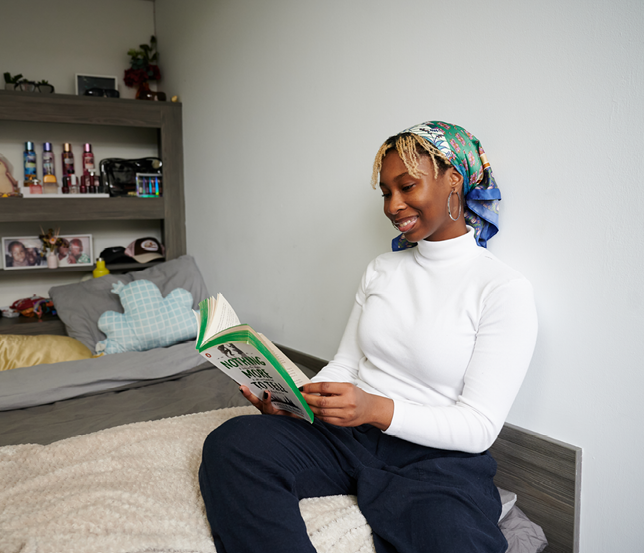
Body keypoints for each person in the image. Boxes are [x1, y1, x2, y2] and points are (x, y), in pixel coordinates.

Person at [199, 121, 538, 553]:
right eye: (385, 192)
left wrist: (374, 409)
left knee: (455, 540)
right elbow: (345, 364)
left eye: (407, 186)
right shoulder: (382, 269)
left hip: (435, 460)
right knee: (233, 446)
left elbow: (478, 428)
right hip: (349, 436)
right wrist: (297, 400)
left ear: (455, 179)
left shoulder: (502, 289)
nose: (393, 205)